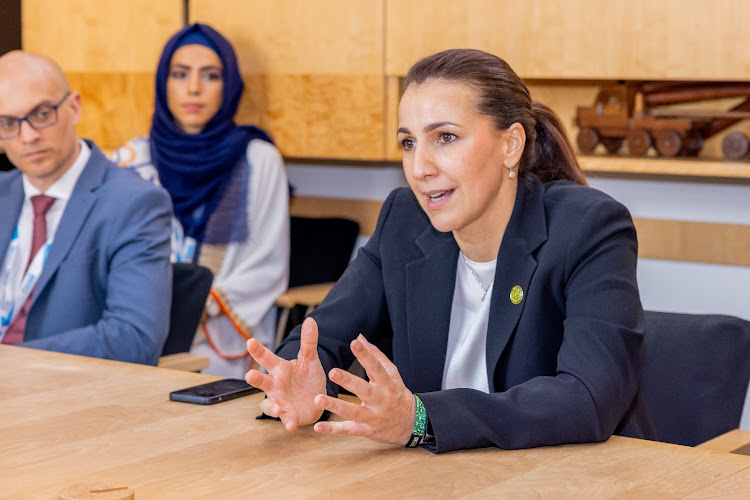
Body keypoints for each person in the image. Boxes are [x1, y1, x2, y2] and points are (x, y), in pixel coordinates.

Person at [245, 49, 655, 453]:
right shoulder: (404, 221)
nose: (420, 167)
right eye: (408, 143)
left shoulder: (589, 227)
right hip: (437, 479)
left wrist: (422, 419)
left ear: (511, 144)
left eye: (445, 137)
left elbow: (587, 398)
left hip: (564, 477)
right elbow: (324, 335)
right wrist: (305, 385)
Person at [111, 24, 289, 379]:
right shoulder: (131, 159)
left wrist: (195, 305)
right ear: (163, 83)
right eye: (180, 74)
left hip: (221, 338)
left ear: (230, 85)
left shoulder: (258, 159)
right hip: (140, 325)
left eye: (210, 75)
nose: (194, 88)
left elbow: (267, 263)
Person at [0, 51, 172, 364]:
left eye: (41, 114)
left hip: (67, 394)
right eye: (8, 123)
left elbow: (135, 337)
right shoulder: (3, 193)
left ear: (74, 107)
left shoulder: (135, 204)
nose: (28, 136)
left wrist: (13, 359)